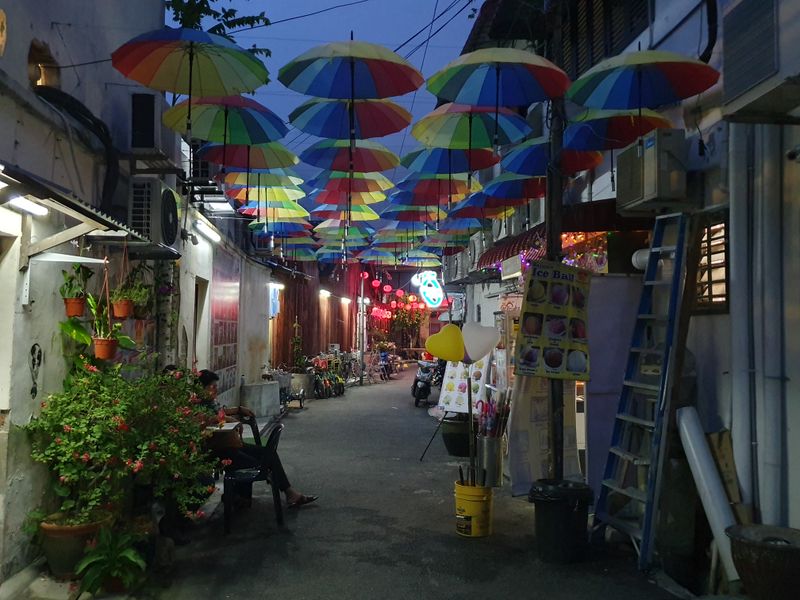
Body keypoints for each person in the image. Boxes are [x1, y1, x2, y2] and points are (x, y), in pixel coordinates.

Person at [197, 369, 317, 509]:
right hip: (220, 451)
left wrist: (238, 409)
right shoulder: (197, 407)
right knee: (258, 463)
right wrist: (228, 419)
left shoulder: (211, 403)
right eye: (212, 387)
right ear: (201, 389)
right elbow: (209, 420)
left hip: (232, 446)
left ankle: (288, 493)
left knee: (269, 454)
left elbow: (220, 412)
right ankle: (236, 496)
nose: (216, 390)